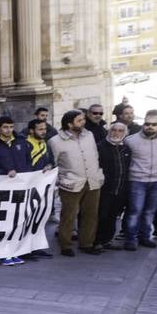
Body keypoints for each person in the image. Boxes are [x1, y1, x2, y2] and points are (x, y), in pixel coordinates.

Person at [49, 109, 105, 256]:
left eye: (83, 119)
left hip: (92, 181)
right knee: (69, 215)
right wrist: (60, 181)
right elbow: (52, 164)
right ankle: (65, 245)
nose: (83, 122)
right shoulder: (55, 141)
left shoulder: (89, 135)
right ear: (69, 124)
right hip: (70, 184)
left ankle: (86, 243)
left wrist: (99, 174)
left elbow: (95, 155)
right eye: (79, 120)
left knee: (91, 215)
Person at [0, 116, 34, 266]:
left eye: (11, 127)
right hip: (1, 188)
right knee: (3, 221)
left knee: (18, 220)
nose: (8, 130)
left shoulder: (21, 141)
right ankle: (3, 253)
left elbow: (28, 162)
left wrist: (29, 175)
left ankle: (15, 251)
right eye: (5, 127)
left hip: (20, 187)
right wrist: (5, 172)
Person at [122, 111, 157, 250]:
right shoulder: (131, 140)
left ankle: (145, 237)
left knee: (150, 211)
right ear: (143, 124)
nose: (150, 127)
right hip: (137, 180)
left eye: (154, 124)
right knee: (135, 211)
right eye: (147, 124)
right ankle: (130, 239)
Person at [97, 121, 133, 249]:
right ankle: (97, 241)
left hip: (120, 190)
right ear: (109, 131)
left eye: (120, 131)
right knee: (101, 216)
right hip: (104, 190)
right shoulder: (100, 147)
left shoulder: (126, 148)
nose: (116, 133)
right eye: (114, 130)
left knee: (113, 216)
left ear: (125, 133)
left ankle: (107, 240)